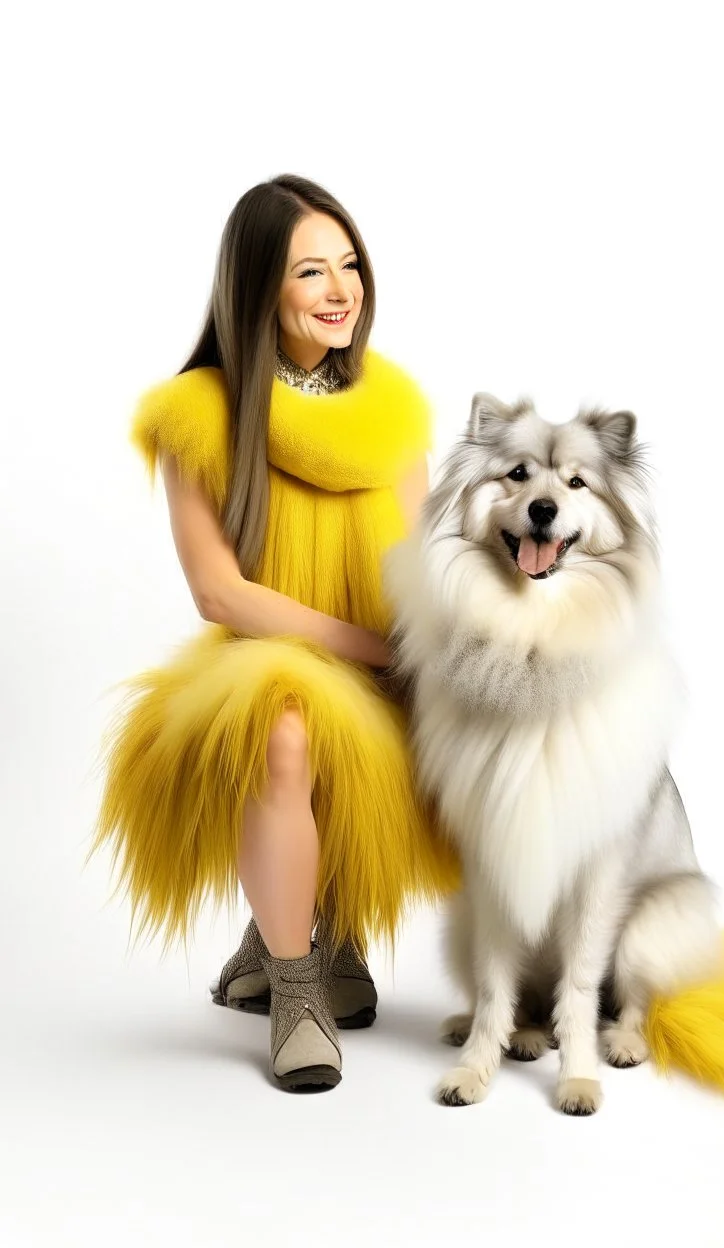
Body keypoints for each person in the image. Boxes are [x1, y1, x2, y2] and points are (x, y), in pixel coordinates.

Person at [93, 174, 459, 1093]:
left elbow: (418, 565)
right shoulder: (200, 412)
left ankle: (303, 931)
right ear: (260, 288)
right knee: (288, 726)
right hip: (266, 658)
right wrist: (367, 649)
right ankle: (298, 988)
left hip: (383, 649)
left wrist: (440, 656)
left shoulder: (390, 412)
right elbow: (219, 594)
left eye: (350, 266)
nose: (342, 290)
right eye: (311, 272)